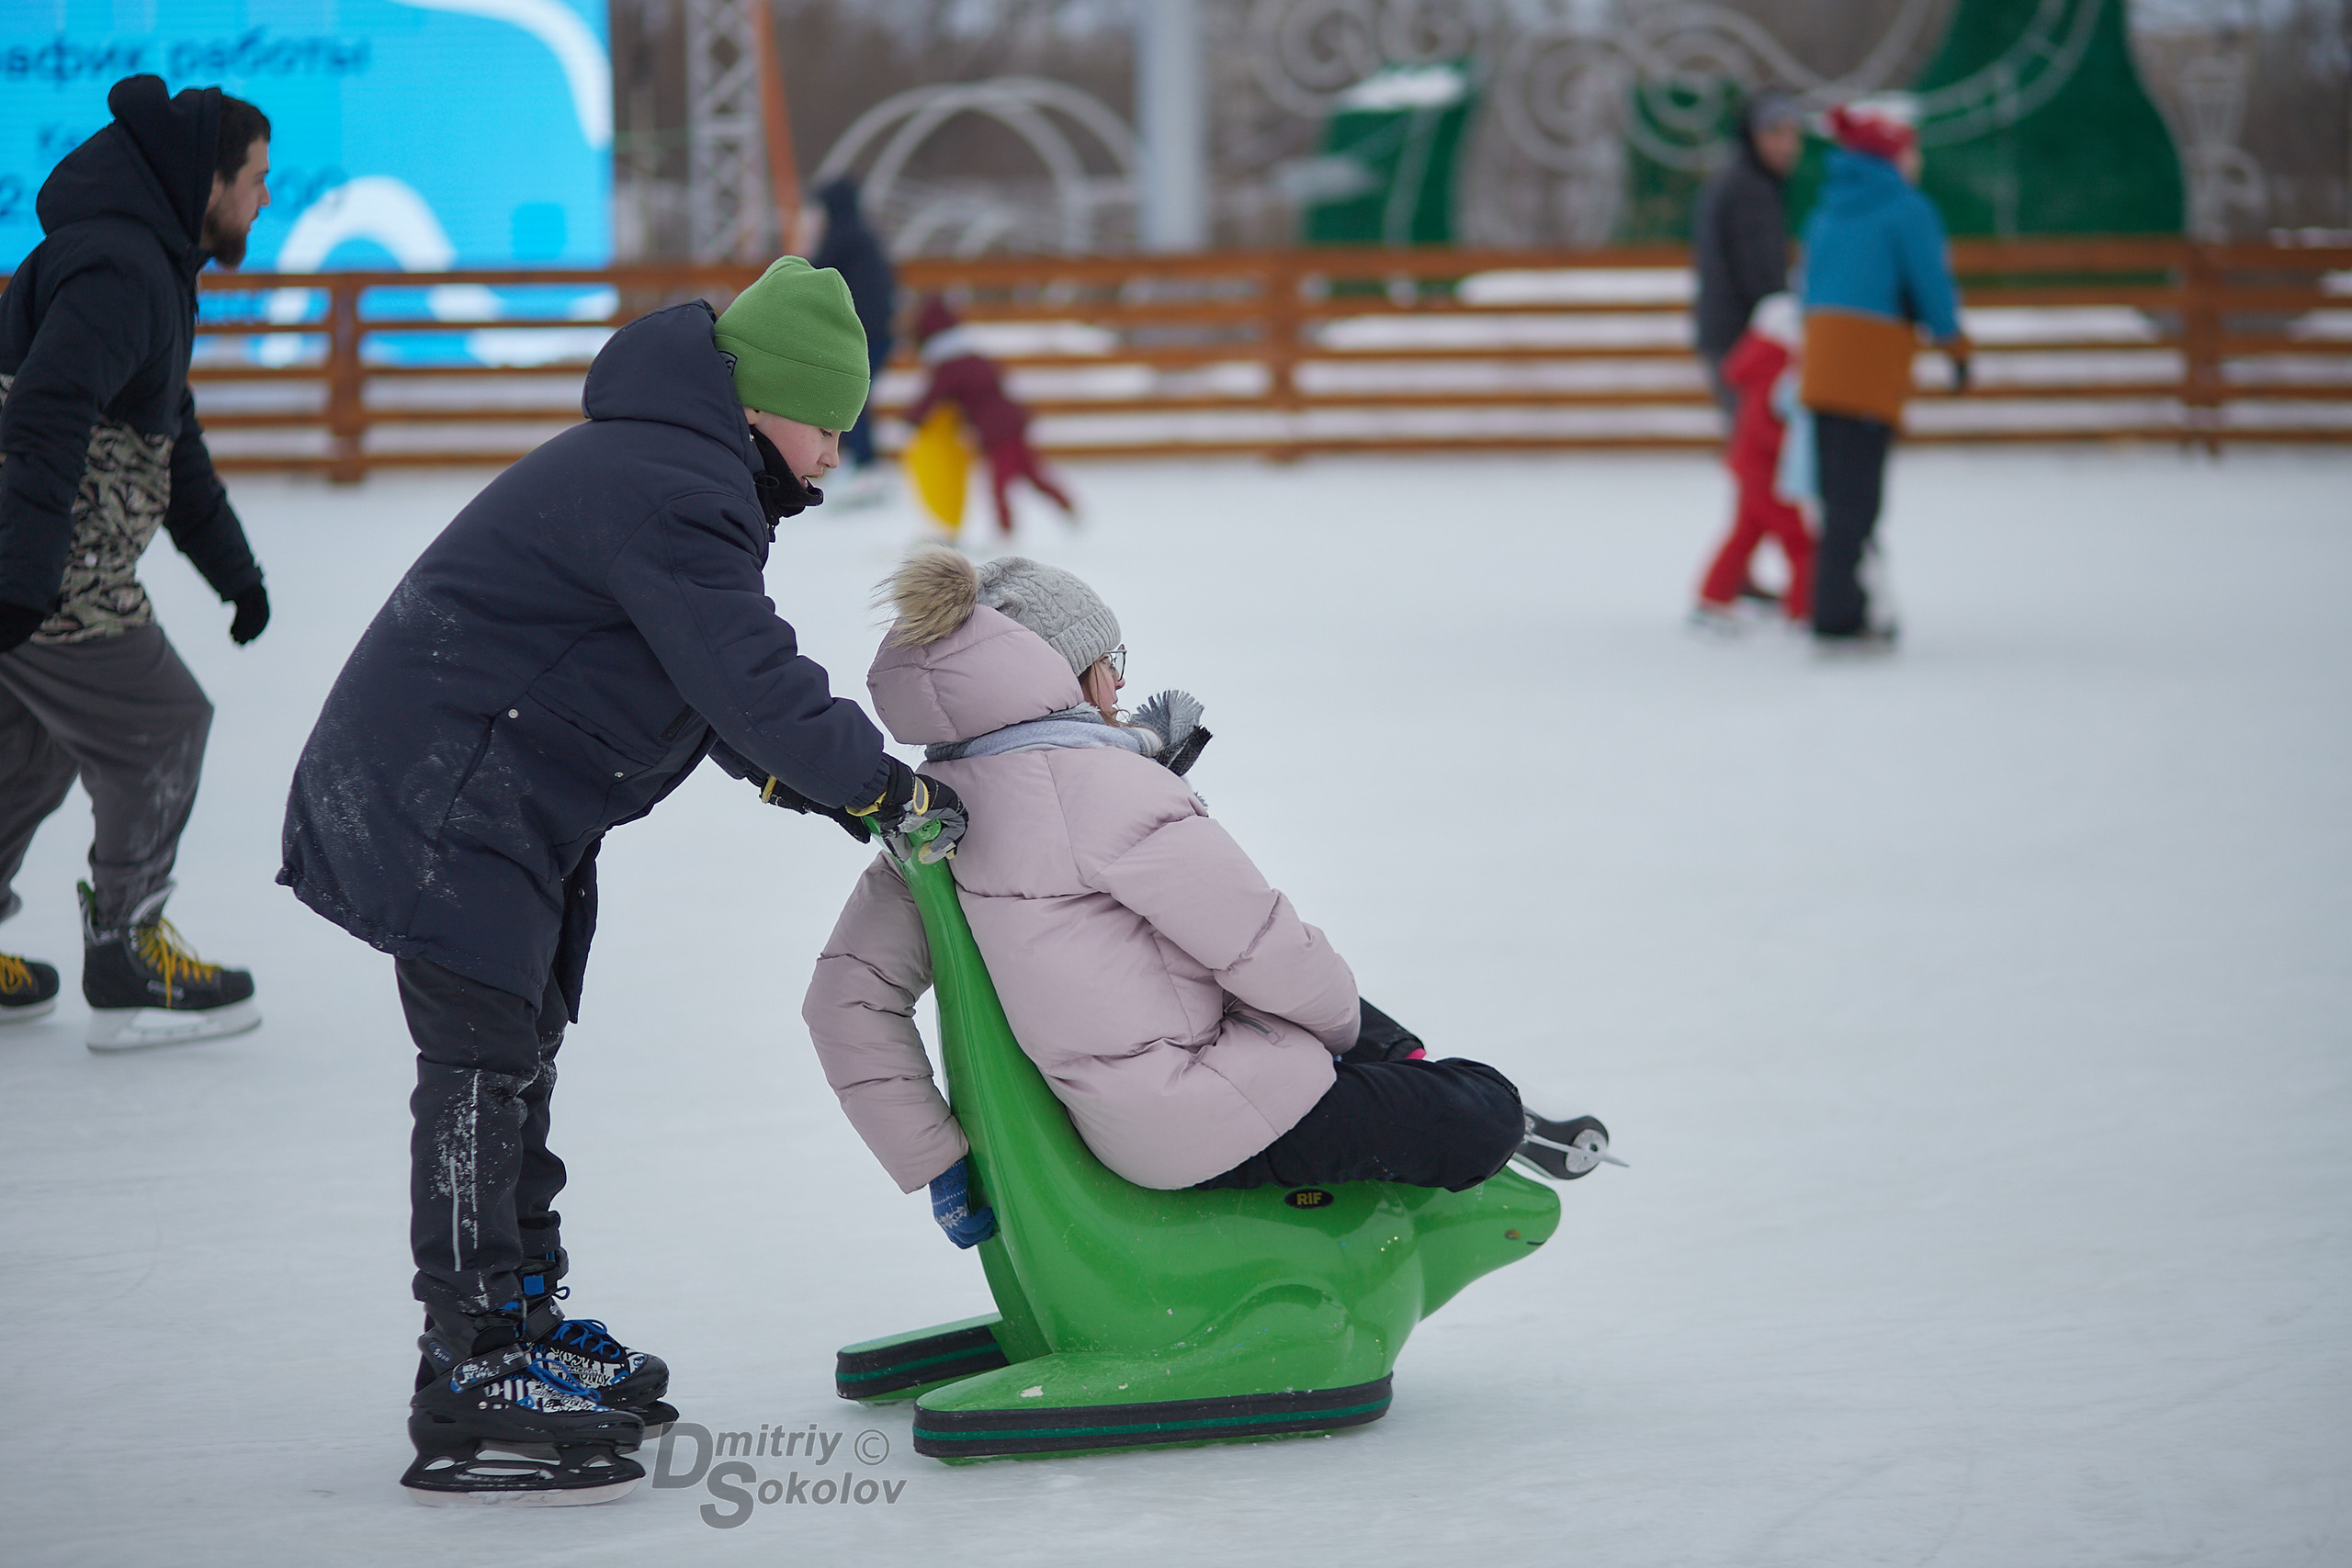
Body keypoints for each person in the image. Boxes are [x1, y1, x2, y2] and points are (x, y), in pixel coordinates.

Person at [277, 256, 969, 1505]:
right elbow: (748, 677)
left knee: (516, 1053)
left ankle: (524, 1321)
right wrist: (888, 790)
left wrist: (826, 787)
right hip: (445, 793)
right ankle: (472, 1363)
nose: (829, 460)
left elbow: (702, 693)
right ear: (769, 402)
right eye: (827, 428)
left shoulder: (678, 472)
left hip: (494, 799)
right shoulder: (674, 488)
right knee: (483, 1068)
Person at [804, 548, 1616, 1249]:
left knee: (1323, 1013)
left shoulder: (924, 821)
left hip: (1109, 1117)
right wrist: (1340, 1044)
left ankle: (1401, 1066)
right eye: (1111, 659)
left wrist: (937, 1162)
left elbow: (842, 1001)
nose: (1122, 683)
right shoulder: (1106, 788)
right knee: (1473, 1110)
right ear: (1071, 674)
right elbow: (1269, 952)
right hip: (1204, 1112)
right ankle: (1461, 1092)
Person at [0, 75, 273, 1049]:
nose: (263, 199)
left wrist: (232, 572)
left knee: (32, 745)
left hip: (40, 560)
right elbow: (41, 412)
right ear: (205, 181)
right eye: (253, 179)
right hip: (51, 566)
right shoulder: (121, 270)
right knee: (160, 726)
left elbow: (170, 437)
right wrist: (26, 578)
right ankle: (125, 952)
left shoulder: (148, 264)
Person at [1798, 97, 1970, 649]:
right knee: (1860, 499)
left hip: (1821, 361)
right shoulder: (1907, 210)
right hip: (1868, 366)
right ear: (1892, 157)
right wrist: (1956, 347)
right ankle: (1838, 615)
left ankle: (1832, 604)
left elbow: (1808, 290)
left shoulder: (1825, 210)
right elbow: (1931, 286)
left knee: (1834, 496)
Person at [1691, 293, 1815, 632]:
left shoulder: (1760, 360)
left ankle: (1713, 598)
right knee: (1800, 543)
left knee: (1745, 533)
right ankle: (1804, 609)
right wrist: (1793, 450)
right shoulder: (1777, 367)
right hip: (1768, 472)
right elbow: (1766, 428)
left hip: (1751, 467)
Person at [905, 297, 1078, 537]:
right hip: (1011, 423)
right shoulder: (974, 356)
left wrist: (912, 419)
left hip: (997, 431)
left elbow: (933, 396)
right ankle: (1066, 506)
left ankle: (1005, 533)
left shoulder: (949, 366)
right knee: (1030, 473)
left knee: (1001, 483)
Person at [1692, 88, 1804, 418]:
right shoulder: (1750, 188)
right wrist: (1782, 324)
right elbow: (1760, 271)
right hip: (1741, 337)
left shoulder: (1745, 180)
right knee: (1757, 440)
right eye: (1775, 133)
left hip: (1729, 333)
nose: (1786, 145)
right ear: (1752, 135)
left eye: (1792, 134)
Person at [810, 173, 896, 495]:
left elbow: (814, 272)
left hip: (861, 333)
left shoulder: (842, 236)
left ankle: (865, 467)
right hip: (876, 331)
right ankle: (863, 464)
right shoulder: (864, 235)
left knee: (851, 398)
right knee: (855, 397)